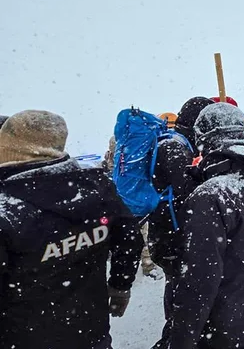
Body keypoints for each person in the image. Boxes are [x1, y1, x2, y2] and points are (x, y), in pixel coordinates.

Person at [0, 110, 143, 349]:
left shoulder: (8, 210)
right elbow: (129, 237)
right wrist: (120, 285)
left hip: (22, 336)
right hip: (90, 330)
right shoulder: (97, 188)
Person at [167, 103, 244, 349]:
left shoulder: (210, 195)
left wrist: (180, 339)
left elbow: (200, 281)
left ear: (205, 139)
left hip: (219, 329)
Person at [149, 97, 214, 349]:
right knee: (180, 289)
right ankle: (170, 339)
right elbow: (185, 189)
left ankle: (174, 333)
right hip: (171, 233)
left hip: (165, 230)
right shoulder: (176, 148)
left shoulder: (173, 141)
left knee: (176, 284)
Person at [102, 135, 158, 278]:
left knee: (131, 236)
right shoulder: (133, 161)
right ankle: (146, 265)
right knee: (141, 234)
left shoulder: (119, 164)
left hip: (123, 205)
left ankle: (139, 266)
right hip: (130, 204)